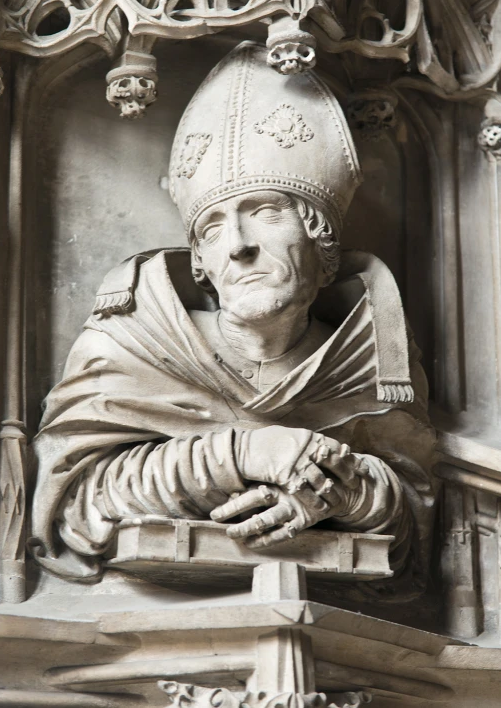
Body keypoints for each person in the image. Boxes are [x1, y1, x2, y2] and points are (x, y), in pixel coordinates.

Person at [30, 43, 436, 592]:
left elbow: (418, 530)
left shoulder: (370, 359)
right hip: (146, 626)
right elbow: (74, 506)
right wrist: (245, 452)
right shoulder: (131, 344)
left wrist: (348, 488)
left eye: (266, 213)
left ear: (322, 248)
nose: (238, 246)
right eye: (213, 229)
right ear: (201, 263)